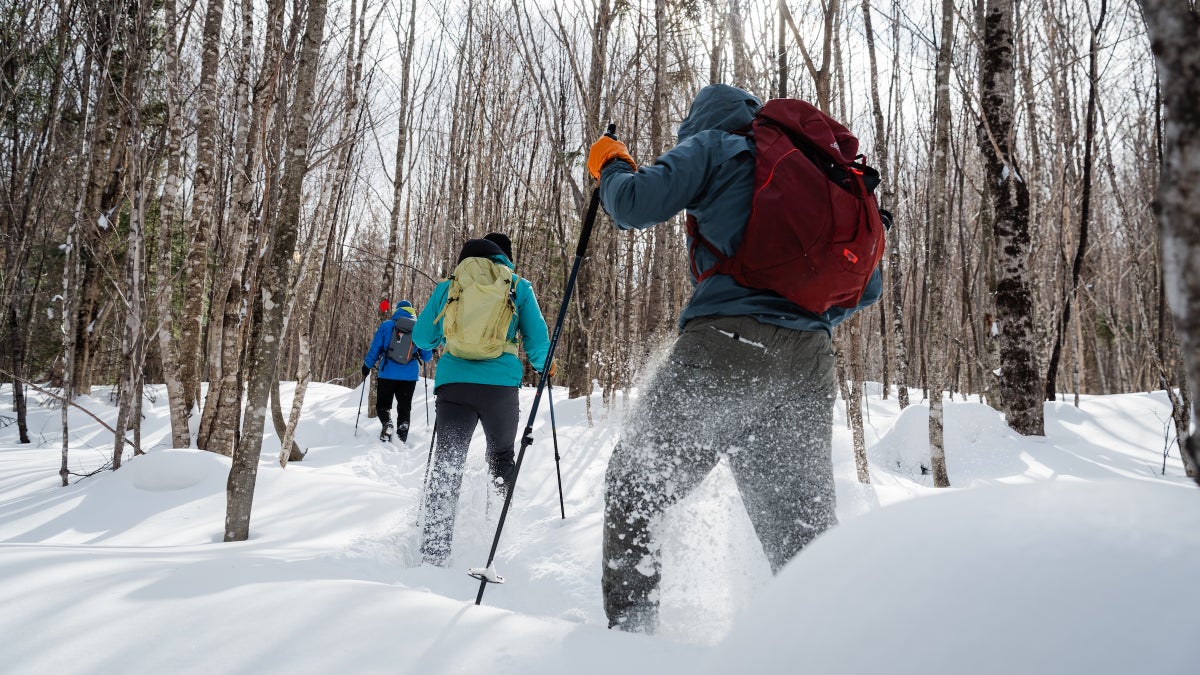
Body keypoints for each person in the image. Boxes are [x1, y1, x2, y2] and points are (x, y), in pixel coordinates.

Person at [587, 83, 883, 632]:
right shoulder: (816, 172)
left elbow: (632, 204)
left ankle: (628, 648)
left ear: (698, 125)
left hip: (727, 347)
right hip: (810, 364)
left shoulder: (717, 147)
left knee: (636, 483)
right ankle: (829, 652)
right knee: (803, 540)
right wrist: (798, 323)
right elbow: (866, 289)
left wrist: (611, 165)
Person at [412, 237, 552, 567]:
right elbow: (538, 342)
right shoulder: (517, 286)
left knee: (448, 465)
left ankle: (433, 554)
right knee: (502, 456)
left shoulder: (451, 285)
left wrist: (441, 339)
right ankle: (499, 540)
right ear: (506, 257)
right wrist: (543, 364)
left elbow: (422, 337)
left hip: (454, 385)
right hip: (500, 387)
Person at [362, 300, 433, 443]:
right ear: (411, 311)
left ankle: (387, 423)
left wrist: (367, 366)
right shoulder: (419, 328)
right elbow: (427, 356)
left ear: (397, 310)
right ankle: (403, 431)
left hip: (387, 373)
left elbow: (375, 349)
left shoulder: (387, 326)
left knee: (383, 405)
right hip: (409, 376)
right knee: (404, 406)